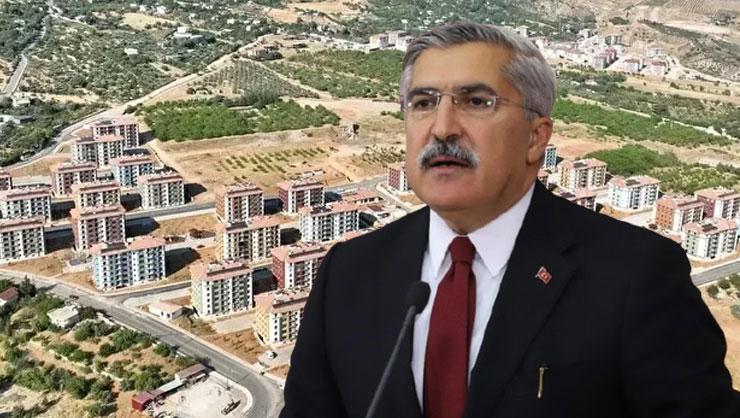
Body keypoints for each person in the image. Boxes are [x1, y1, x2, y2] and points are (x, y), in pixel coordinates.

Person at [280, 21, 740, 418]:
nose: (441, 127)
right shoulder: (348, 272)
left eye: (476, 101)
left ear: (536, 137)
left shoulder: (636, 276)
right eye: (422, 103)